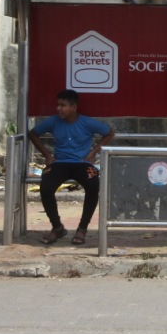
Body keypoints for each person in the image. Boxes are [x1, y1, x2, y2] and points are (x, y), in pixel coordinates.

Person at [29, 89, 115, 245]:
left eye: (63, 105)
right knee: (46, 186)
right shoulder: (53, 121)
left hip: (82, 164)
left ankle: (82, 229)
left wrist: (93, 153)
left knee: (93, 184)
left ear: (74, 107)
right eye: (58, 105)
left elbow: (109, 133)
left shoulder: (87, 122)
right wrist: (48, 156)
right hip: (59, 163)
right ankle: (57, 228)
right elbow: (33, 134)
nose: (59, 108)